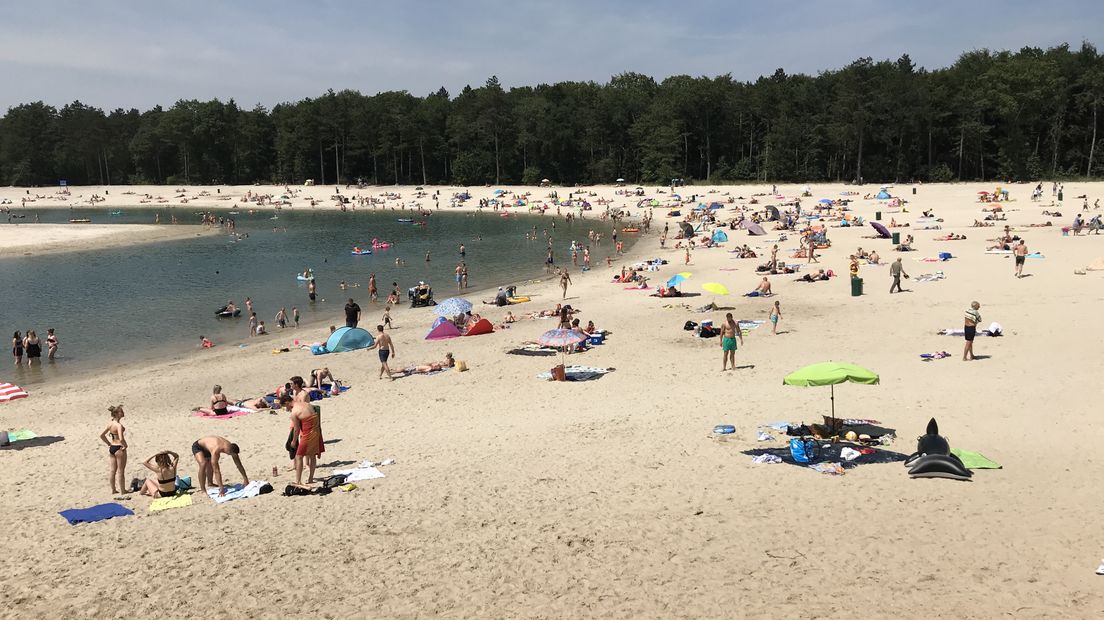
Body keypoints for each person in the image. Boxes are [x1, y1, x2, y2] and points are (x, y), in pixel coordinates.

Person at [280, 393, 323, 485]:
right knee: (312, 455)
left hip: (308, 434)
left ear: (287, 403)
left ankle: (298, 481)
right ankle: (310, 478)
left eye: (285, 406)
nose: (286, 409)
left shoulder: (294, 412)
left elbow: (296, 429)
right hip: (316, 431)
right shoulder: (306, 404)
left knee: (299, 456)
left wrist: (294, 441)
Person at [99, 405, 128, 494]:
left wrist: (108, 443)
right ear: (116, 414)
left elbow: (102, 435)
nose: (123, 413)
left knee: (112, 470)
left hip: (112, 447)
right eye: (121, 412)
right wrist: (125, 445)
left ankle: (113, 490)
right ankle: (123, 491)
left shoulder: (110, 424)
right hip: (119, 447)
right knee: (121, 470)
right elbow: (121, 438)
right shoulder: (118, 425)